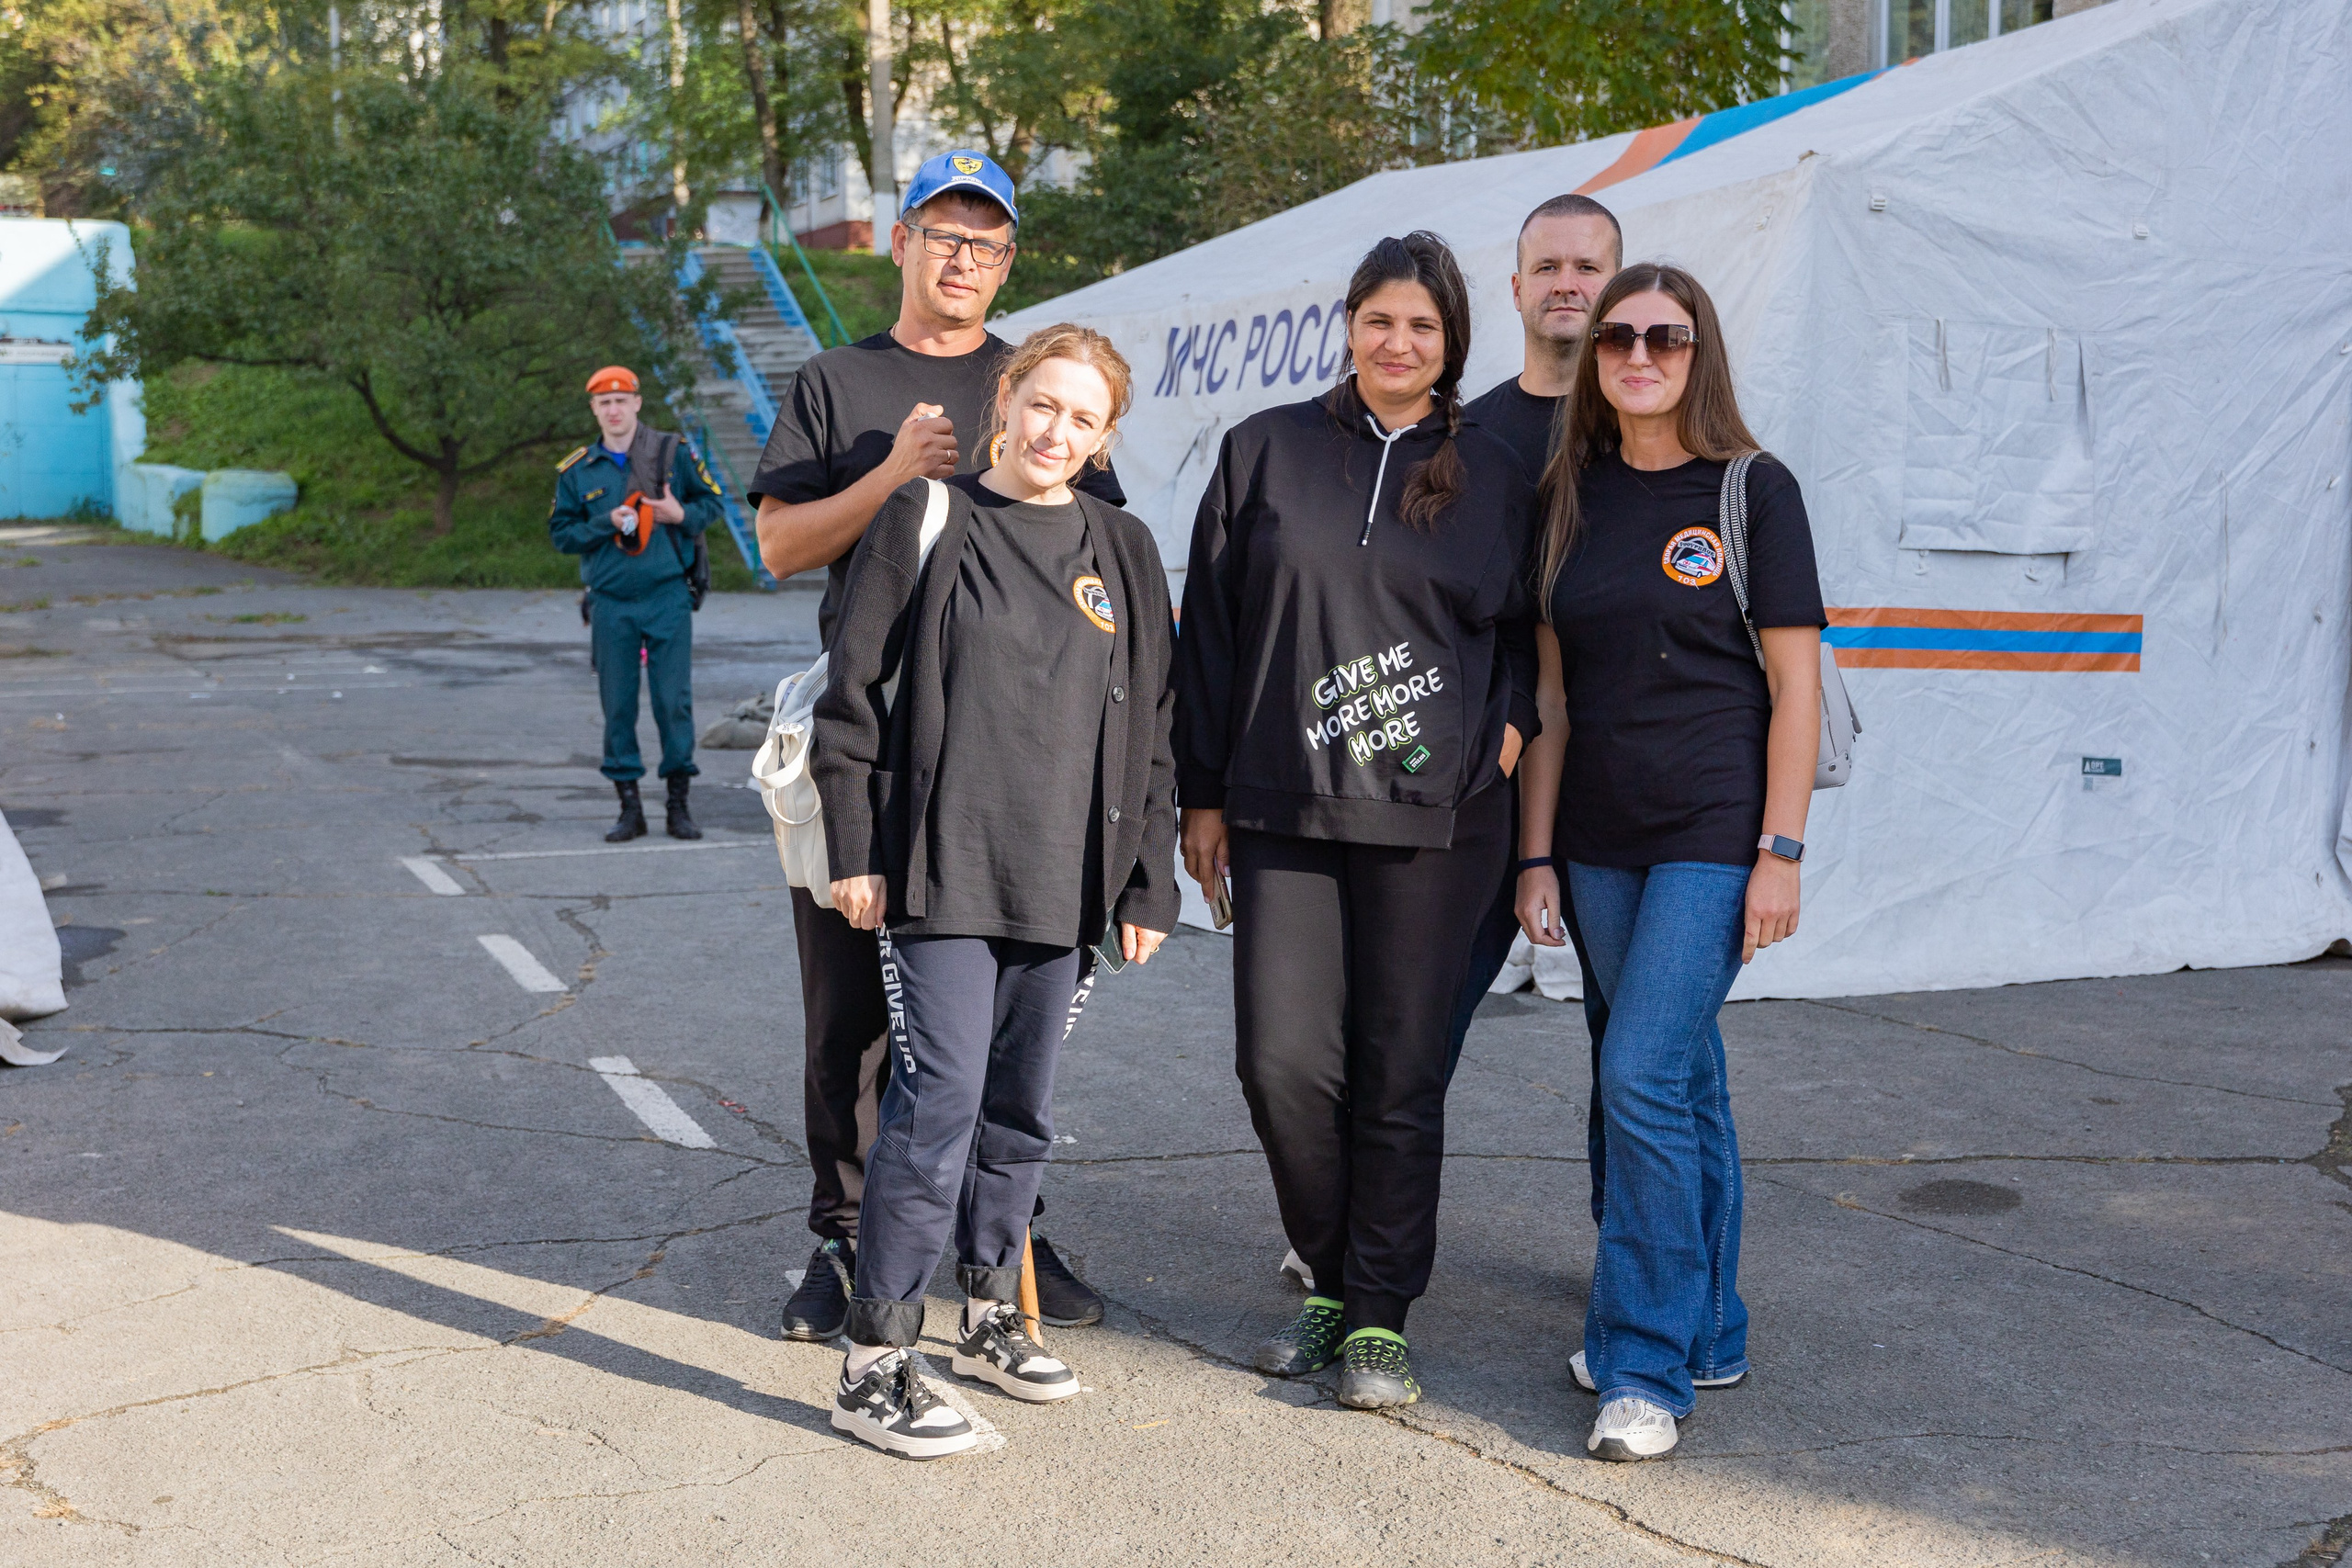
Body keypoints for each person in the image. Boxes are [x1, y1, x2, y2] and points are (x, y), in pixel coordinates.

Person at [747, 149, 1123, 1341]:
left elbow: (1097, 552)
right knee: (852, 1015)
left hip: (1010, 753)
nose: (964, 260)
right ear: (902, 242)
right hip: (868, 733)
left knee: (1005, 1023)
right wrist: (895, 477)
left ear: (1008, 261)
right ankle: (844, 1237)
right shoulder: (837, 381)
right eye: (944, 235)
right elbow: (779, 547)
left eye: (987, 243)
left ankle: (1001, 1238)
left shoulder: (1035, 382)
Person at [1175, 231, 1539, 1412]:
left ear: (1451, 343)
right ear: (1347, 325)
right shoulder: (1264, 448)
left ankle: (1376, 1314)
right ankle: (1329, 1274)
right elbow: (1209, 630)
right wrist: (1201, 795)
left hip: (1438, 821)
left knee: (1399, 1073)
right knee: (1280, 1064)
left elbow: (1536, 630)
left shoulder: (1496, 471)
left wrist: (1512, 728)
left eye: (1422, 326)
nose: (1398, 342)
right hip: (1282, 803)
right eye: (1380, 319)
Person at [812, 324, 1177, 1459]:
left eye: (1084, 419)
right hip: (941, 872)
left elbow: (1155, 727)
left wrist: (1147, 881)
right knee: (936, 1110)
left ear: (1104, 437)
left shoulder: (1122, 546)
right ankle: (874, 1363)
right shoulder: (927, 517)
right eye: (1043, 404)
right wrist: (854, 848)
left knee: (1020, 1110)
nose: (1057, 432)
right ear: (1006, 399)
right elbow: (851, 697)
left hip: (1066, 882)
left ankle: (987, 1314)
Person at [1513, 263, 1825, 1462]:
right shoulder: (1567, 498)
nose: (1639, 355)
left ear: (1702, 355)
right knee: (1676, 1076)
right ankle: (1710, 1325)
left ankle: (1641, 1363)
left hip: (1713, 829)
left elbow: (1794, 688)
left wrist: (1779, 852)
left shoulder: (1754, 489)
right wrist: (1536, 852)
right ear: (1593, 357)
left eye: (1667, 337)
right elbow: (1551, 699)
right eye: (1618, 337)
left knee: (1638, 1071)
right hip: (1598, 838)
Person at [1445, 194, 1622, 1081]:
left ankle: (1626, 1190)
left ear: (1616, 286)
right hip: (1492, 770)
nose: (1566, 284)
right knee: (1426, 1017)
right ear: (1516, 288)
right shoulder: (1464, 437)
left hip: (1627, 779)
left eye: (1587, 267)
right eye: (1547, 267)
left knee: (1631, 1047)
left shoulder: (1651, 434)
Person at [548, 365, 725, 841]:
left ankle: (678, 805)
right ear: (594, 409)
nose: (614, 410)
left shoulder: (672, 452)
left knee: (673, 702)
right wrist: (604, 522)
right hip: (610, 602)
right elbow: (561, 535)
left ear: (637, 403)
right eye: (604, 403)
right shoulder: (577, 470)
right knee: (618, 705)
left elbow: (714, 502)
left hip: (667, 596)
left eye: (621, 400)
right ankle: (629, 808)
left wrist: (680, 513)